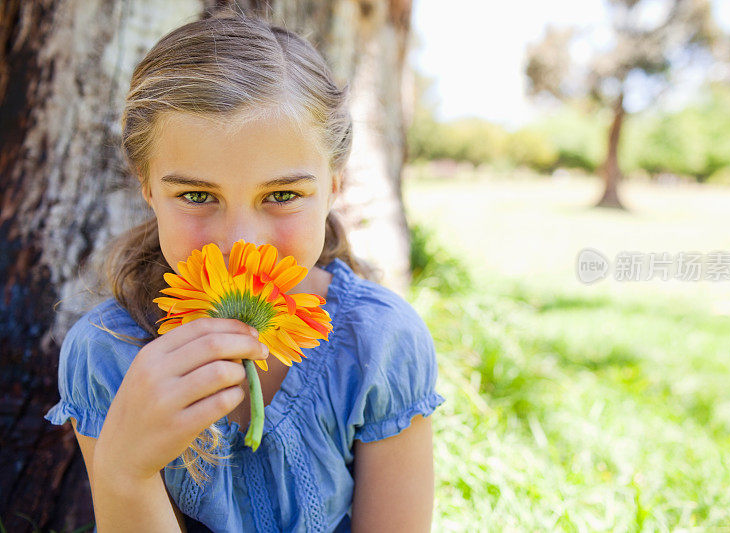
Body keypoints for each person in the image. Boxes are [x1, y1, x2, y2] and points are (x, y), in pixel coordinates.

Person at [44, 14, 445, 533]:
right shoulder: (106, 355)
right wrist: (125, 472)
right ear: (147, 188)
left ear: (334, 186)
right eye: (197, 195)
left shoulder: (381, 343)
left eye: (281, 196)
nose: (240, 244)